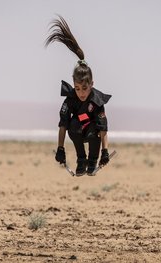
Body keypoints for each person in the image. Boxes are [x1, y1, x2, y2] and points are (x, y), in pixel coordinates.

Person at [45, 15, 112, 176]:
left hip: (92, 132)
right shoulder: (70, 99)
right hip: (78, 132)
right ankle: (81, 159)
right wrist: (60, 148)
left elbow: (103, 129)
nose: (81, 92)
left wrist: (105, 151)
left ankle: (92, 160)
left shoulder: (97, 100)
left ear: (92, 84)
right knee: (73, 124)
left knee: (94, 129)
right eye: (77, 88)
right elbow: (62, 125)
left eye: (84, 88)